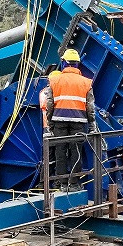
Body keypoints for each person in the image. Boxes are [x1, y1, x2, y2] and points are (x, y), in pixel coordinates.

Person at [43, 49, 94, 186]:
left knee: (60, 152)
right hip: (78, 122)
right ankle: (74, 183)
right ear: (77, 64)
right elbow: (90, 107)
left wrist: (50, 123)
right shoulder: (86, 82)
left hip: (59, 121)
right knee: (76, 152)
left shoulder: (54, 80)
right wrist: (92, 125)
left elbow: (49, 105)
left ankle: (63, 183)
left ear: (64, 63)